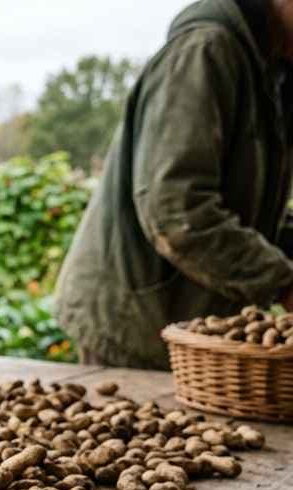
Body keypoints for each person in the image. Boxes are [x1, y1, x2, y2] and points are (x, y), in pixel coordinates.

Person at [55, 0, 293, 369]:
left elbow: (254, 212)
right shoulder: (205, 50)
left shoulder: (274, 70)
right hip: (136, 319)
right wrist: (283, 282)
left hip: (192, 319)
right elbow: (177, 212)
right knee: (134, 424)